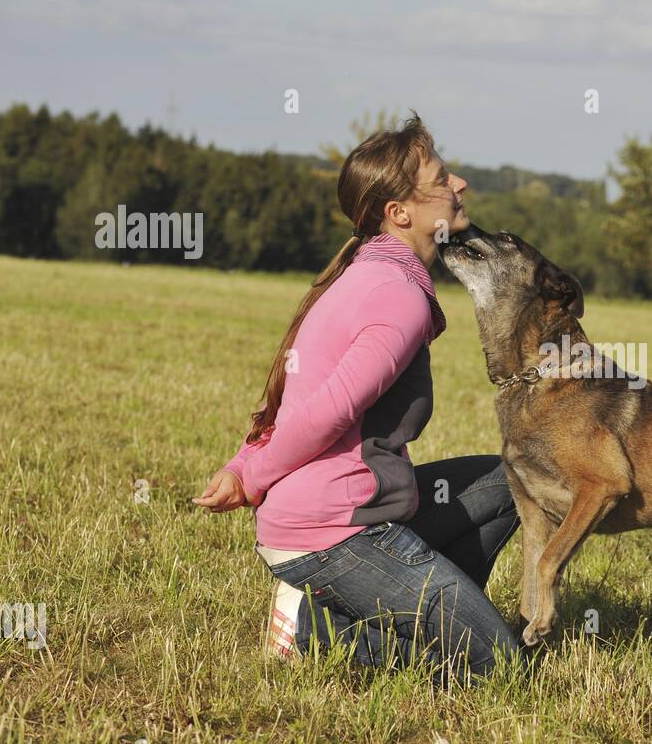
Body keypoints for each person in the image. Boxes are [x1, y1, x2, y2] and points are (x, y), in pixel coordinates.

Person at [191, 113, 520, 684]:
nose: (459, 184)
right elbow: (324, 411)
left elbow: (300, 394)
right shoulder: (397, 298)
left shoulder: (371, 276)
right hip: (333, 532)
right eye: (442, 179)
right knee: (499, 662)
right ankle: (318, 631)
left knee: (518, 478)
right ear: (401, 213)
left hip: (350, 513)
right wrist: (250, 476)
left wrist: (243, 463)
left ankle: (440, 609)